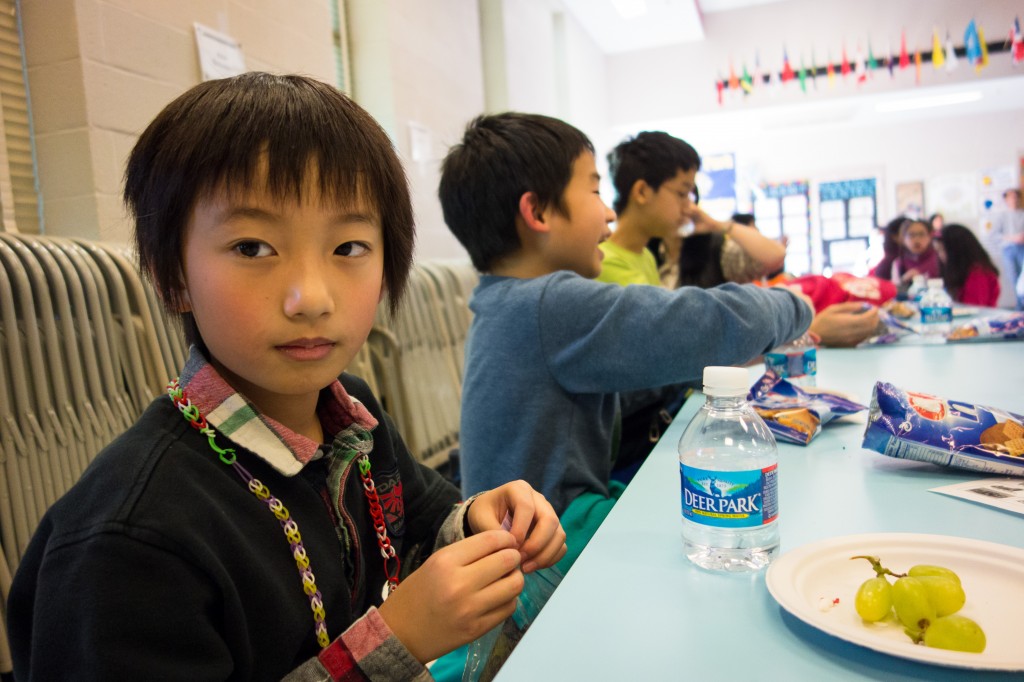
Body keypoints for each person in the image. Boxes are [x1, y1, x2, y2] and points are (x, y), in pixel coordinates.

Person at [7, 73, 567, 681]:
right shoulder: (127, 540)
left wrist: (484, 518)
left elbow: (423, 524)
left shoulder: (349, 413)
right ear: (172, 276)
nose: (311, 298)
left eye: (349, 247)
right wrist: (397, 639)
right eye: (253, 248)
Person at [437, 112, 813, 569]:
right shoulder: (551, 304)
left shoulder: (504, 301)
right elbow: (705, 323)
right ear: (537, 212)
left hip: (534, 535)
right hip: (547, 549)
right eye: (595, 191)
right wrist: (798, 303)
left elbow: (640, 369)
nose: (610, 212)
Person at [933, 223, 1001, 307]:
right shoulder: (961, 271)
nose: (939, 256)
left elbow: (973, 308)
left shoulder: (977, 274)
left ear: (956, 250)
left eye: (942, 250)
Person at [991, 188, 1024, 309]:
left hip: (1022, 248)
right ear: (1006, 200)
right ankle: (1020, 306)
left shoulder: (1022, 214)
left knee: (1022, 280)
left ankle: (1020, 306)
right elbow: (994, 234)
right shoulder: (1001, 216)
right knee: (1013, 277)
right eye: (1011, 197)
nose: (1014, 200)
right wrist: (1012, 238)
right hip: (1008, 249)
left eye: (1015, 197)